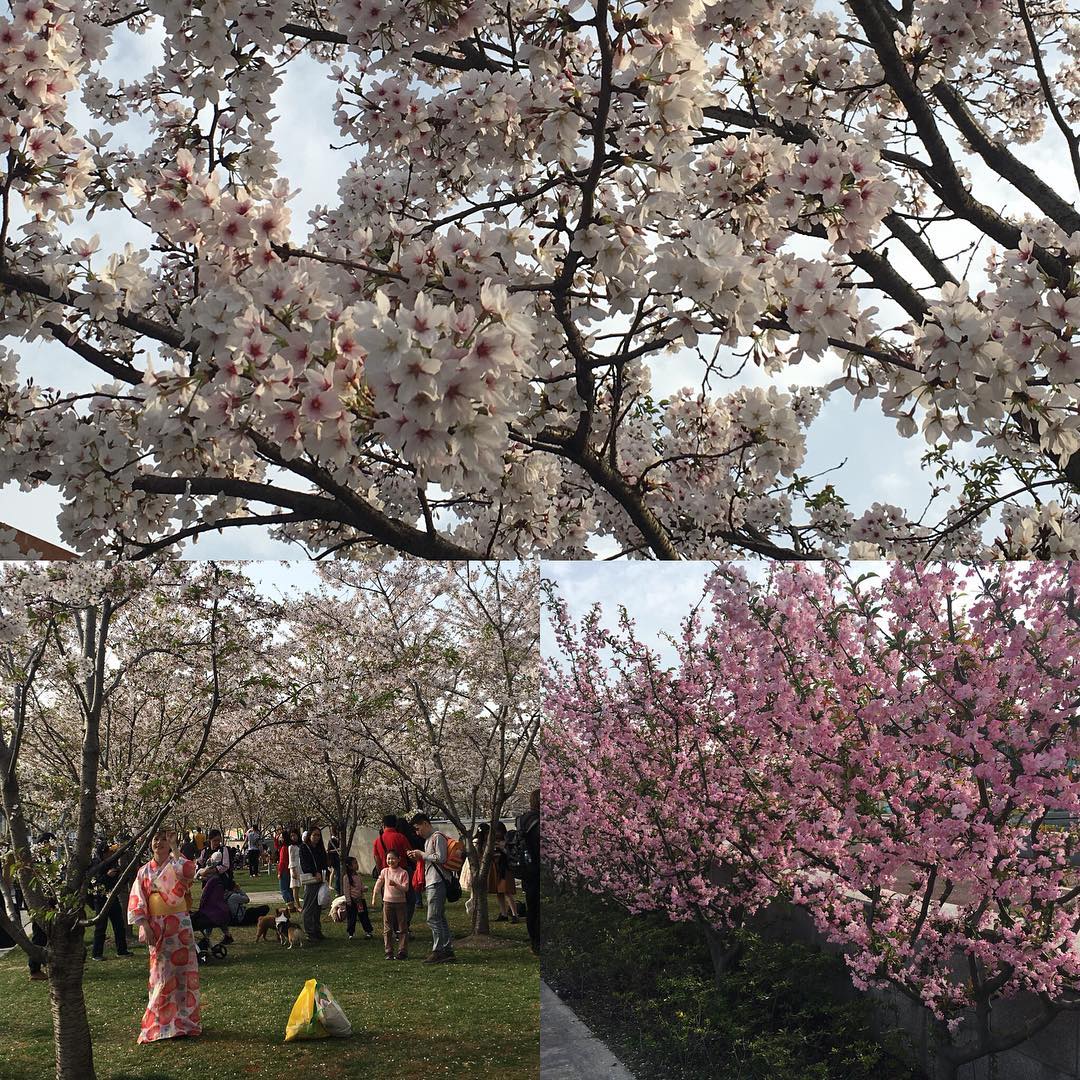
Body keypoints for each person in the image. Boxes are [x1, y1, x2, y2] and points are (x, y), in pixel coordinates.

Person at [127, 829, 201, 1043]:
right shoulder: (143, 872)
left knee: (183, 974)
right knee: (161, 975)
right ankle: (160, 1024)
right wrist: (144, 925)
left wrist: (176, 847)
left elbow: (188, 872)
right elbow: (137, 900)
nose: (159, 843)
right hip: (158, 927)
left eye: (163, 840)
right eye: (155, 839)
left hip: (180, 926)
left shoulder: (175, 865)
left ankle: (185, 1023)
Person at [408, 813, 455, 964]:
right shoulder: (429, 839)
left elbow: (440, 858)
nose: (417, 832)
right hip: (432, 880)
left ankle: (438, 950)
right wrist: (420, 857)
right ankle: (446, 949)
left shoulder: (437, 837)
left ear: (425, 824)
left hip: (437, 881)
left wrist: (422, 854)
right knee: (439, 917)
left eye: (418, 828)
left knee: (433, 917)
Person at [89, 837, 132, 961]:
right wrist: (107, 876)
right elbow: (94, 883)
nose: (111, 854)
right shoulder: (96, 864)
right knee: (100, 926)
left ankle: (122, 950)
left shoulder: (113, 863)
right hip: (100, 899)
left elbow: (119, 881)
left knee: (119, 924)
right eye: (109, 852)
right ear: (103, 853)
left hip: (112, 897)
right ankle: (97, 953)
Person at [373, 815, 416, 923]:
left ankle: (392, 925)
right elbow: (410, 854)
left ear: (383, 825)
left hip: (386, 873)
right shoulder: (400, 837)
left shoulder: (378, 840)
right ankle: (403, 924)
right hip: (402, 872)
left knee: (388, 901)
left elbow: (377, 859)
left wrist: (381, 874)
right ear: (395, 824)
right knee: (409, 900)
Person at [372, 849, 410, 960]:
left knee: (402, 927)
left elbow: (406, 888)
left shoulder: (403, 873)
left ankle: (402, 951)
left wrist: (396, 885)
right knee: (387, 928)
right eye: (388, 858)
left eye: (393, 858)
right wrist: (374, 896)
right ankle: (388, 951)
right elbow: (378, 884)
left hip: (400, 903)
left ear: (399, 859)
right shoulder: (385, 871)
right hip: (387, 902)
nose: (390, 861)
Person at [518, 789, 541, 954]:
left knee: (531, 907)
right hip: (537, 869)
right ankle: (539, 942)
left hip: (525, 869)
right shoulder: (537, 822)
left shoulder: (522, 820)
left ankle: (534, 942)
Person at [298, 827, 327, 942]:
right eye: (314, 835)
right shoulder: (304, 848)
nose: (316, 837)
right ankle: (310, 932)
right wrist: (315, 872)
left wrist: (323, 873)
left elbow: (324, 862)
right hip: (311, 880)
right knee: (309, 906)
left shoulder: (319, 848)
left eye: (318, 835)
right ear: (309, 835)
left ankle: (316, 930)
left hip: (321, 879)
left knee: (317, 907)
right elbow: (305, 865)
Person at [340, 856, 374, 940]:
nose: (357, 865)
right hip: (352, 901)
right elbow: (346, 890)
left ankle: (368, 931)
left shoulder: (358, 876)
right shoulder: (346, 878)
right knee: (351, 917)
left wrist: (364, 889)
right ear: (349, 866)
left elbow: (360, 887)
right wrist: (348, 901)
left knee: (364, 916)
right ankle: (351, 933)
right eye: (355, 863)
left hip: (360, 900)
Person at [493, 822, 520, 923]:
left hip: (506, 868)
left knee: (507, 892)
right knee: (499, 892)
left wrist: (502, 848)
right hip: (497, 867)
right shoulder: (494, 841)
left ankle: (514, 914)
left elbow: (510, 854)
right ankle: (503, 913)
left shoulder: (507, 840)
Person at [278, 828, 297, 905]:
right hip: (290, 870)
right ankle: (292, 901)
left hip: (284, 870)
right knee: (289, 888)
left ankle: (289, 903)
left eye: (281, 837)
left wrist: (279, 872)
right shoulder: (290, 847)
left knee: (284, 888)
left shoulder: (284, 848)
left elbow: (282, 861)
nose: (280, 839)